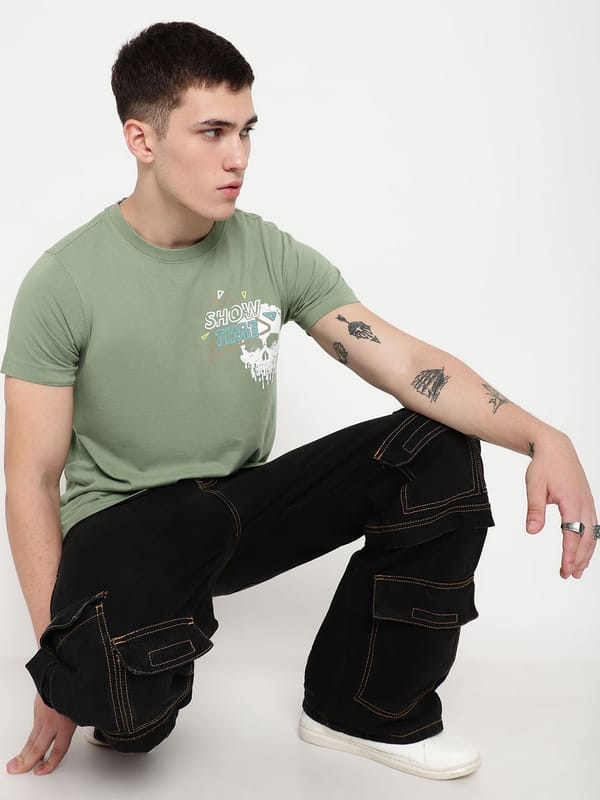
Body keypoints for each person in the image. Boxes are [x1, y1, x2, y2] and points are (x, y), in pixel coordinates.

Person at [2, 21, 596, 780]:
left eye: (246, 130)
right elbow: (31, 479)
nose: (238, 157)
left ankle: (362, 710)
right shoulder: (64, 281)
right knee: (123, 722)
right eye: (212, 131)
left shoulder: (269, 252)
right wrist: (56, 663)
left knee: (435, 448)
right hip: (127, 524)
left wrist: (545, 437)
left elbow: (407, 364)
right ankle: (124, 667)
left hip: (239, 509)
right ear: (141, 139)